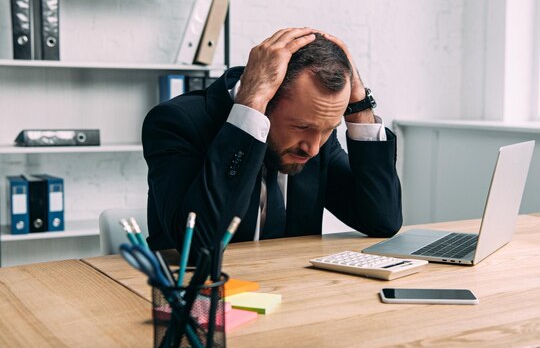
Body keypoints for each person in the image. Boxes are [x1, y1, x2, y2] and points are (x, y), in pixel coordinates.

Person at [142, 27, 402, 258]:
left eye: (327, 129)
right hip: (193, 296)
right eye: (302, 127)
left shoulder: (316, 132)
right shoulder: (176, 123)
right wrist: (250, 107)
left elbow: (382, 220)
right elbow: (199, 247)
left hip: (286, 291)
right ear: (267, 98)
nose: (312, 148)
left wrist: (359, 106)